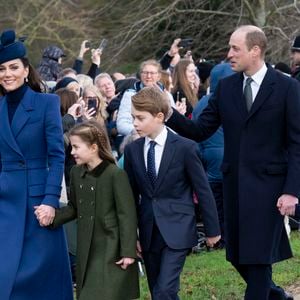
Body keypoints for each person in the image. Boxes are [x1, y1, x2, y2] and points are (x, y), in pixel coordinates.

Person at [166, 25, 300, 300]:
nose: (228, 54)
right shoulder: (226, 87)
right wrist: (168, 114)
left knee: (259, 258)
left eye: (235, 48)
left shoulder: (287, 87)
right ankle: (278, 297)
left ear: (255, 50)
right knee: (239, 256)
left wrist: (291, 190)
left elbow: (297, 143)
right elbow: (200, 130)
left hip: (271, 190)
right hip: (234, 187)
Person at [124, 86, 220, 300]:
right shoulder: (132, 150)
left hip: (178, 228)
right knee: (158, 290)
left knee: (165, 290)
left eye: (140, 118)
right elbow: (130, 198)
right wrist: (131, 236)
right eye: (133, 118)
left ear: (159, 116)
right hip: (148, 232)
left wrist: (213, 229)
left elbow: (202, 190)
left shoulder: (185, 147)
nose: (135, 123)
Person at [0, 29, 73, 299]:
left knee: (41, 281)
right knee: (7, 277)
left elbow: (56, 156)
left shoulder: (47, 103)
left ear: (25, 69)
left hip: (38, 203)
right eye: (1, 68)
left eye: (13, 67)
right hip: (5, 202)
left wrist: (51, 200)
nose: (7, 73)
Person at [37, 121, 140, 300]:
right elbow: (74, 208)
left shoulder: (115, 175)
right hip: (87, 248)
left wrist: (128, 252)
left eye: (76, 147)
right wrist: (51, 217)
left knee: (105, 294)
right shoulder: (76, 173)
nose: (72, 152)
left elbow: (127, 216)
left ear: (93, 147)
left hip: (110, 248)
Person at [192, 62, 234, 248]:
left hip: (208, 158)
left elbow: (195, 131)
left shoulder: (201, 103)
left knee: (214, 202)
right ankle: (229, 238)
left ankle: (218, 238)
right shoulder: (231, 100)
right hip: (228, 158)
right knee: (230, 202)